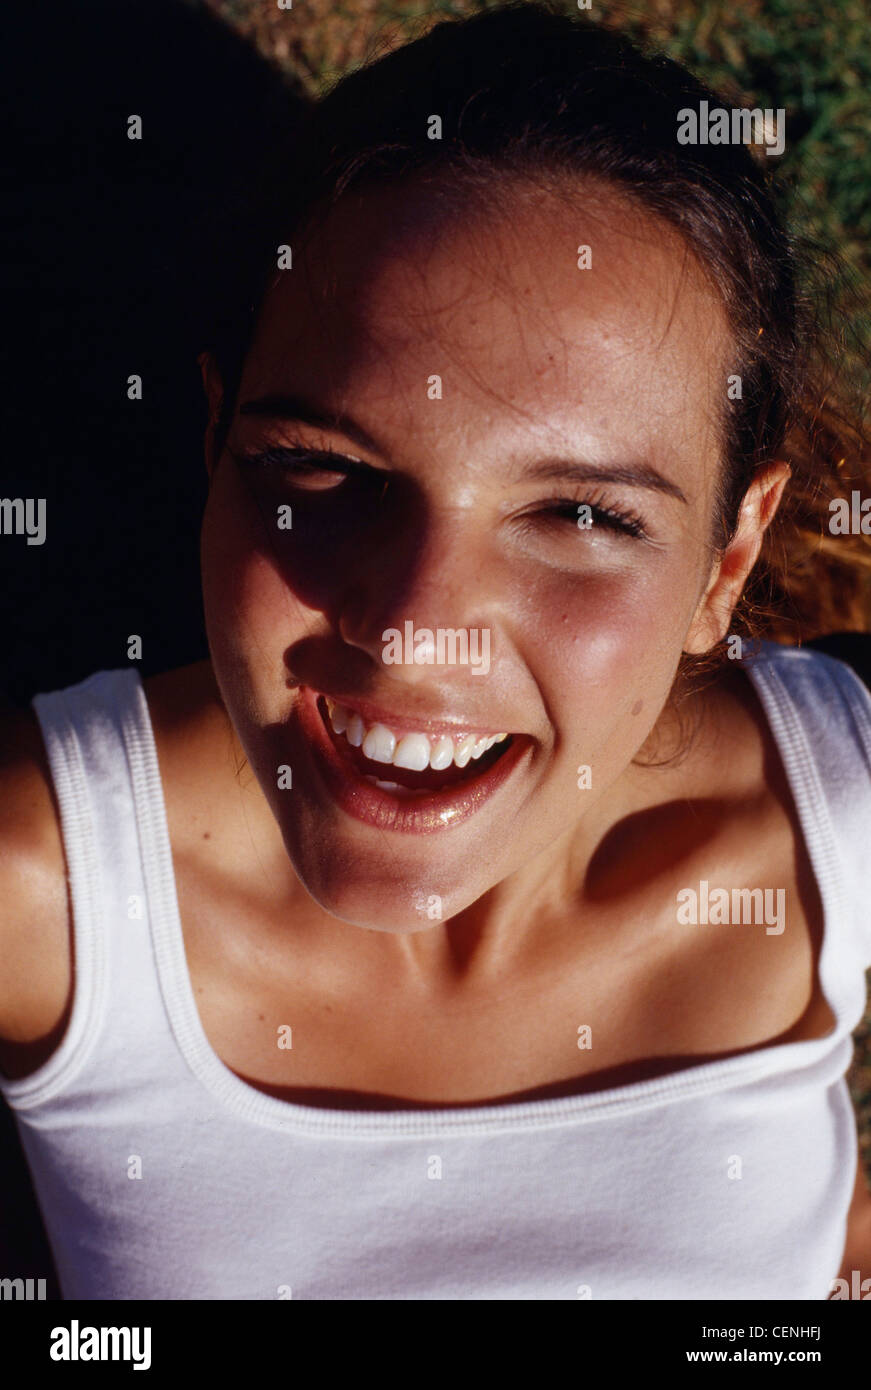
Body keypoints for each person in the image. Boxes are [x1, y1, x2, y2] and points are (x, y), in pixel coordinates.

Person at [1, 2, 870, 1300]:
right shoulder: (41, 890)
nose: (413, 626)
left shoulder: (836, 818)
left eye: (579, 514)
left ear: (728, 564)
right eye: (326, 469)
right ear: (214, 444)